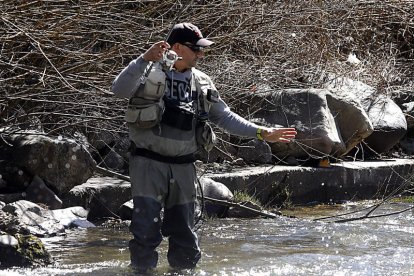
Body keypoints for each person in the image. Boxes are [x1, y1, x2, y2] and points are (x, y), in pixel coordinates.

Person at [111, 22, 297, 272]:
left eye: (202, 49)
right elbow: (119, 90)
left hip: (184, 168)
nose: (201, 54)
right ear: (176, 47)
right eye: (196, 49)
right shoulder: (146, 71)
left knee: (186, 236)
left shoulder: (202, 81)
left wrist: (263, 133)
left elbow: (225, 117)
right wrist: (144, 58)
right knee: (145, 233)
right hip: (147, 165)